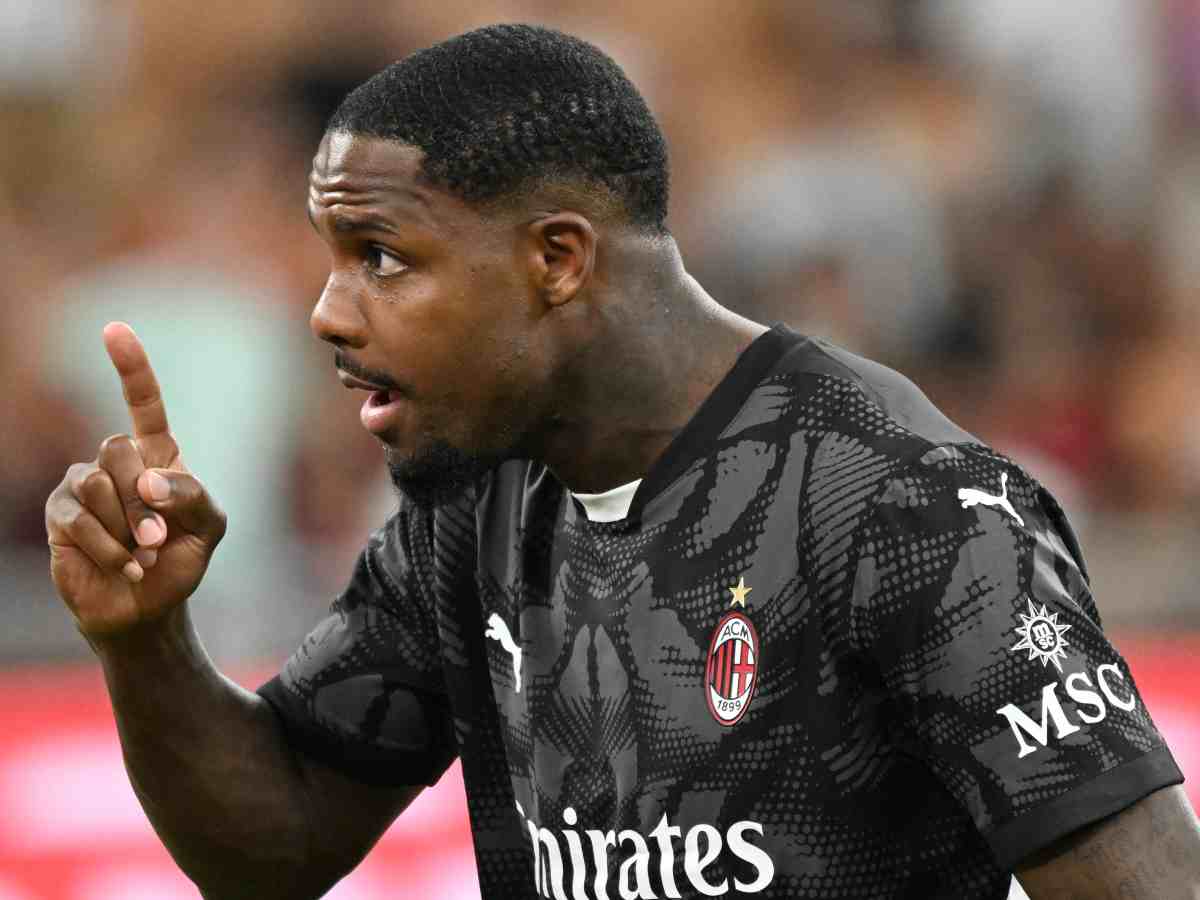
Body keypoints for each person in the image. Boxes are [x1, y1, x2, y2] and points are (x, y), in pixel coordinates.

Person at [44, 24, 1200, 900]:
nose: (328, 314)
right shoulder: (474, 502)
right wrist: (143, 639)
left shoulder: (899, 507)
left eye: (382, 257)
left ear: (556, 258)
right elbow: (279, 839)